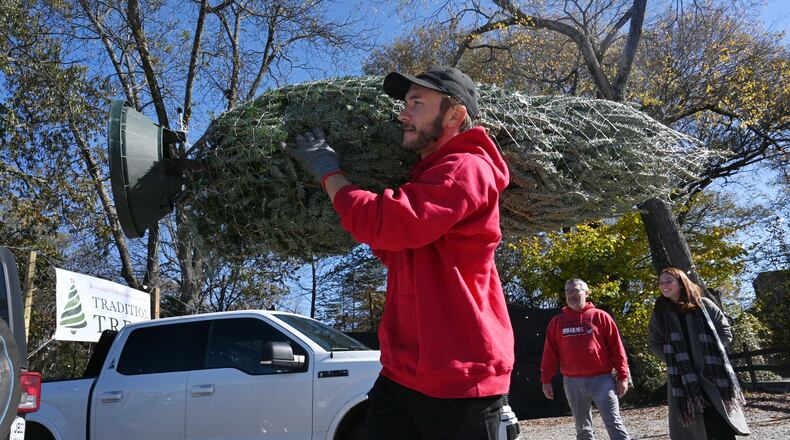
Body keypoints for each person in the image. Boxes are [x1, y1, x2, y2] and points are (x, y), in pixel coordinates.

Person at [282, 66, 514, 439]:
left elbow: (389, 225)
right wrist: (363, 215)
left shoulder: (465, 169)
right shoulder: (426, 176)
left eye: (417, 104)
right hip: (403, 373)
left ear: (455, 116)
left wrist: (329, 173)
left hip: (458, 375)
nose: (403, 114)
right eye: (405, 104)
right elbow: (397, 249)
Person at [648, 267, 749, 439]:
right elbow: (654, 343)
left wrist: (713, 353)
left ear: (681, 283)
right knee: (694, 424)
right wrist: (673, 360)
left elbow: (725, 331)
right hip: (682, 376)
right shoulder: (659, 314)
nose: (664, 285)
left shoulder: (704, 305)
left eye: (669, 281)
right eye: (661, 282)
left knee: (719, 421)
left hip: (712, 373)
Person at [540, 278, 631, 440]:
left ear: (586, 293)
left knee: (614, 422)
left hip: (602, 380)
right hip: (572, 382)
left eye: (576, 290)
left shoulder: (601, 317)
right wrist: (546, 379)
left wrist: (623, 376)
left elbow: (617, 348)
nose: (572, 295)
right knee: (582, 428)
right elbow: (549, 353)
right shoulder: (557, 322)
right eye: (568, 292)